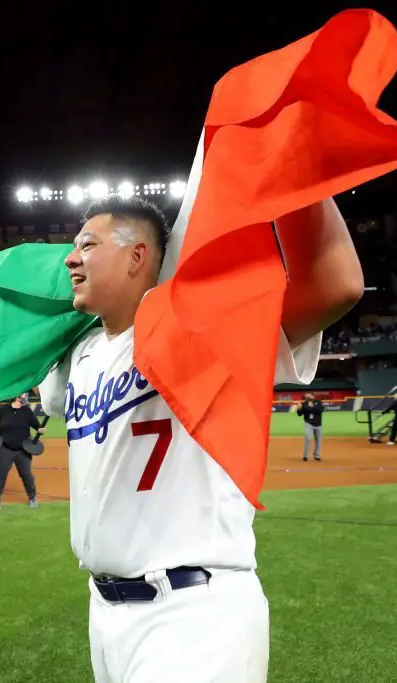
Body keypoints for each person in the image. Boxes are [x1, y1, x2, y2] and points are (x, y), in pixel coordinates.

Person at [38, 195, 361, 683]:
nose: (70, 258)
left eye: (88, 244)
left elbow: (335, 285)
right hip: (103, 612)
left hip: (193, 613)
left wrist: (291, 164)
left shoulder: (201, 327)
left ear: (137, 256)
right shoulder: (76, 357)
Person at [0, 394, 43, 509]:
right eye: (24, 395)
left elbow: (37, 426)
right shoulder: (3, 410)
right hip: (4, 448)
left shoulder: (27, 411)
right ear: (17, 397)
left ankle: (32, 498)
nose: (26, 396)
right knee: (0, 475)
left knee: (27, 475)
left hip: (23, 450)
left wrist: (40, 429)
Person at [297, 393, 324, 461]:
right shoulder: (304, 404)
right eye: (307, 396)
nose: (308, 396)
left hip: (318, 424)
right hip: (308, 423)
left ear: (313, 396)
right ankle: (305, 456)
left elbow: (320, 410)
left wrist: (312, 407)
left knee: (318, 440)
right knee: (308, 438)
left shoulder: (318, 402)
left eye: (309, 395)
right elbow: (299, 414)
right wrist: (299, 409)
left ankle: (316, 455)